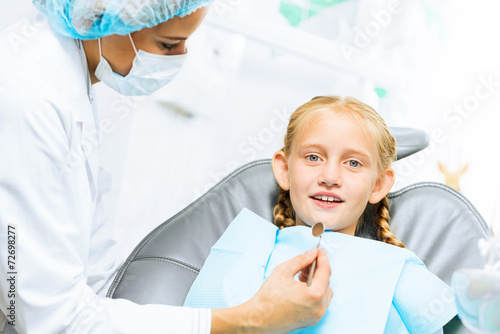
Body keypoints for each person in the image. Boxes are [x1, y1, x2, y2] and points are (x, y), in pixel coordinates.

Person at [0, 1, 333, 333]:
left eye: (186, 44)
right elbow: (53, 320)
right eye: (169, 44)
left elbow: (94, 274)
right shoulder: (31, 97)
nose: (179, 58)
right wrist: (252, 320)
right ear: (104, 17)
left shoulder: (69, 77)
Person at [184, 96, 458, 333]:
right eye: (314, 157)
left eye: (353, 163)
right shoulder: (249, 241)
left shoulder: (398, 267)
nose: (330, 176)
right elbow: (200, 324)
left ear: (378, 185)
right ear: (284, 170)